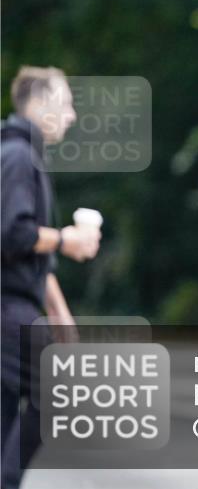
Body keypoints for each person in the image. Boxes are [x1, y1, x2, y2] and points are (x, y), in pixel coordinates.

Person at [1, 66, 100, 489]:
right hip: (7, 310)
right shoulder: (17, 156)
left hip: (14, 306)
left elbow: (27, 255)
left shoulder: (21, 155)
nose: (72, 115)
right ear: (39, 105)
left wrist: (59, 312)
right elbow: (14, 234)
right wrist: (67, 239)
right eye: (66, 102)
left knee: (6, 411)